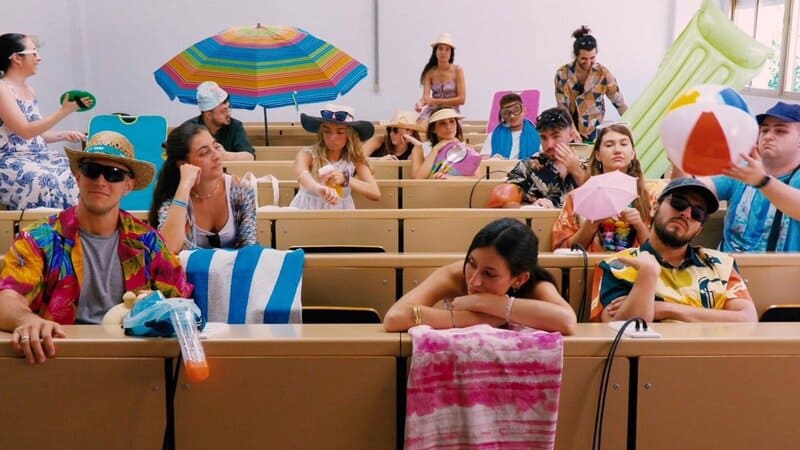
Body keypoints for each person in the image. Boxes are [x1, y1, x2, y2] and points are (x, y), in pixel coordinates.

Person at [0, 131, 193, 364]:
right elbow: (7, 298)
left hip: (134, 363)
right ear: (78, 177)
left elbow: (183, 303)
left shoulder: (147, 241)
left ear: (128, 186)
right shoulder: (39, 239)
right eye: (92, 170)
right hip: (58, 360)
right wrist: (27, 320)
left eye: (114, 174)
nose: (101, 181)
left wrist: (159, 304)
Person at [592, 178, 757, 323]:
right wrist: (647, 276)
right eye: (679, 203)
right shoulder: (617, 266)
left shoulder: (722, 265)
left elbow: (747, 319)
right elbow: (617, 331)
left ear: (699, 229)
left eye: (698, 213)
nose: (686, 214)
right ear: (654, 208)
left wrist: (665, 308)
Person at [383, 218, 577, 333]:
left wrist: (486, 303)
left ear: (519, 279)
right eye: (472, 263)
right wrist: (472, 318)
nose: (474, 281)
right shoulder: (454, 275)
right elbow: (394, 317)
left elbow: (567, 321)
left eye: (489, 274)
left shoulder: (535, 285)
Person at [674, 102, 800, 252]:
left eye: (780, 131)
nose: (768, 136)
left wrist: (762, 181)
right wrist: (679, 159)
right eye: (764, 130)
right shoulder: (743, 170)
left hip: (780, 268)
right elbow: (687, 191)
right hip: (726, 265)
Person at [0, 33, 91, 209]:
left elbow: (37, 133)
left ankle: (74, 223)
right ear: (17, 58)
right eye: (33, 53)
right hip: (10, 160)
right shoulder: (2, 89)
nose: (39, 58)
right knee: (44, 181)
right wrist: (65, 111)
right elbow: (26, 131)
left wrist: (63, 135)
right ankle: (44, 226)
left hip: (38, 157)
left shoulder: (29, 90)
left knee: (79, 173)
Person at [149, 122, 257, 253]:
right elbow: (169, 249)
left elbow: (249, 249)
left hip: (237, 265)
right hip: (188, 267)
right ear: (183, 164)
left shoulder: (241, 189)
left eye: (215, 146)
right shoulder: (175, 195)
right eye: (204, 152)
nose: (216, 156)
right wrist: (184, 186)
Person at [552, 123, 655, 251]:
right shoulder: (577, 197)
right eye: (609, 145)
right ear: (598, 155)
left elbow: (659, 252)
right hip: (593, 263)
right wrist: (591, 224)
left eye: (623, 144)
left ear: (632, 153)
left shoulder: (650, 196)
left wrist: (639, 225)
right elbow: (562, 250)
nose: (617, 150)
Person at [289, 104, 381, 209]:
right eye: (327, 131)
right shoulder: (308, 154)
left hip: (341, 212)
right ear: (321, 133)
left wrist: (346, 179)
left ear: (349, 135)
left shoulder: (354, 159)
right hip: (307, 210)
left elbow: (375, 193)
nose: (332, 137)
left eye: (340, 132)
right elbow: (302, 175)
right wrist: (318, 188)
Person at [555, 26, 627, 142]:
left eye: (592, 58)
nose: (588, 62)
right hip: (569, 131)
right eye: (583, 58)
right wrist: (572, 129)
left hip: (594, 133)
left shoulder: (604, 74)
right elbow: (562, 107)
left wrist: (631, 125)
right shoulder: (562, 74)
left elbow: (620, 104)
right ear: (576, 55)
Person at [505, 107, 588, 207]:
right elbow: (504, 205)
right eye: (544, 138)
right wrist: (529, 207)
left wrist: (577, 171)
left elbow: (599, 202)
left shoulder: (589, 166)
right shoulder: (527, 167)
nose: (549, 145)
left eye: (556, 136)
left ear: (571, 135)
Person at [181, 81, 254, 161]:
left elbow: (250, 156)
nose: (229, 114)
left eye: (229, 108)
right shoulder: (190, 129)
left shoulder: (235, 126)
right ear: (208, 114)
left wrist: (225, 155)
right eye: (223, 111)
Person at [410, 107, 480, 179]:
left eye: (452, 121)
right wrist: (435, 149)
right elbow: (417, 179)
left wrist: (449, 178)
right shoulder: (420, 149)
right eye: (442, 123)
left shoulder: (468, 150)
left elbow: (477, 178)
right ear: (433, 129)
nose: (448, 127)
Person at [415, 33, 467, 123]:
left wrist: (435, 101)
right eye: (440, 49)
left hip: (451, 111)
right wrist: (419, 104)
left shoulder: (457, 70)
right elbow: (425, 98)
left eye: (447, 50)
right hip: (433, 110)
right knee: (421, 124)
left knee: (445, 125)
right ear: (435, 51)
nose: (443, 52)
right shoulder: (429, 72)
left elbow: (461, 99)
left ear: (451, 53)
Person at [480, 93, 541, 160]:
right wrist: (494, 160)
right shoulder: (493, 135)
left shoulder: (539, 134)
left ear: (523, 109)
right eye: (506, 113)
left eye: (516, 110)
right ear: (502, 115)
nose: (512, 116)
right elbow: (483, 158)